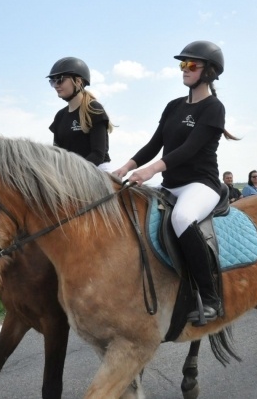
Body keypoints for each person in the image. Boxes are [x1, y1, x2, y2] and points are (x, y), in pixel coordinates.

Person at [113, 40, 236, 325]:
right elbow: (155, 143)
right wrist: (126, 167)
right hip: (170, 184)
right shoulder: (173, 106)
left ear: (209, 71)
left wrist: (150, 170)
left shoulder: (214, 108)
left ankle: (210, 297)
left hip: (200, 184)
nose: (184, 69)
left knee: (181, 217)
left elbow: (189, 149)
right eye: (182, 64)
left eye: (191, 64)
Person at [48, 57, 114, 171]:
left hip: (97, 170)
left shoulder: (93, 109)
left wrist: (73, 172)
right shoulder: (59, 116)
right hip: (72, 174)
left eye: (60, 79)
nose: (55, 85)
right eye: (52, 81)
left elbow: (98, 154)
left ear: (78, 81)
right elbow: (57, 153)